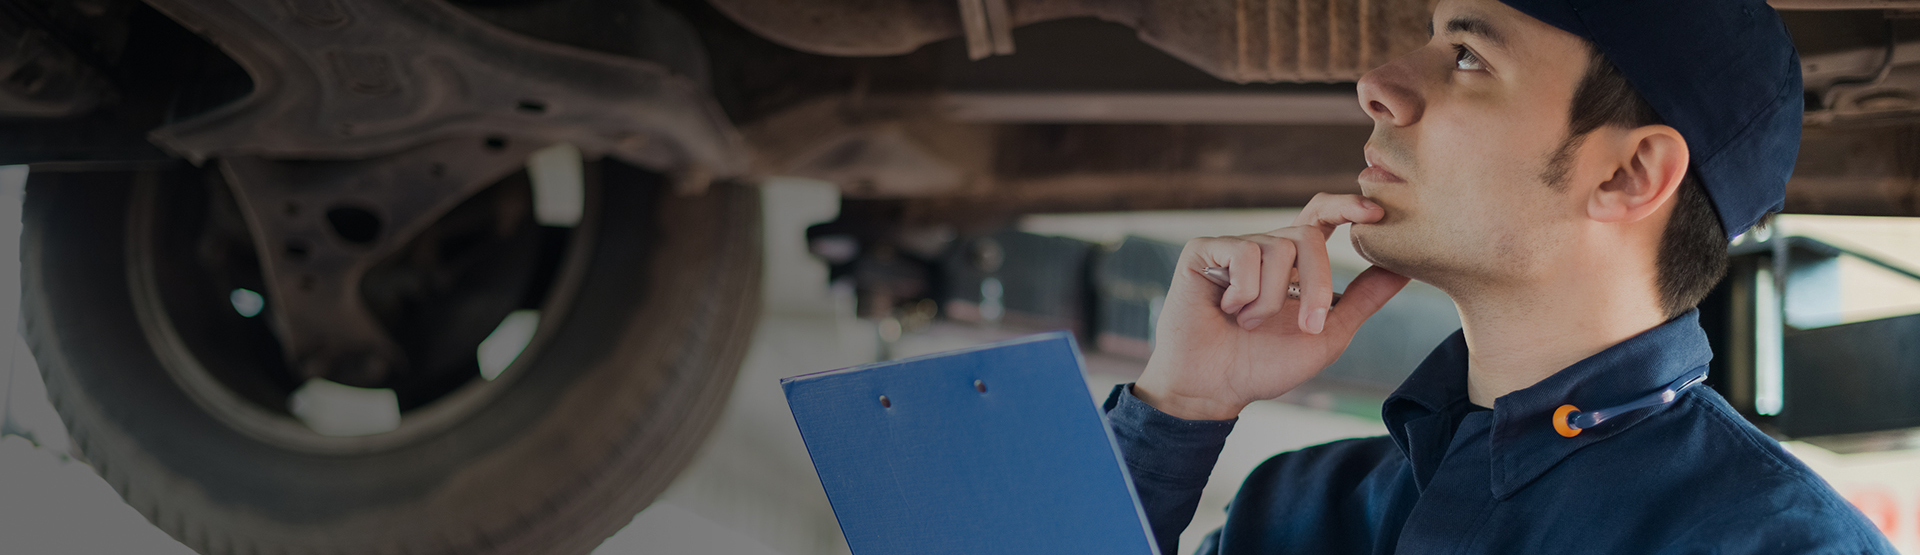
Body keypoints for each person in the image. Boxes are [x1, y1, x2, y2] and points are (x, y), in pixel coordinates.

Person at [1104, 0, 1899, 553]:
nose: (1377, 84)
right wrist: (1179, 407)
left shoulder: (1781, 544)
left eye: (1466, 56)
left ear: (1629, 172)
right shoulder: (1295, 510)